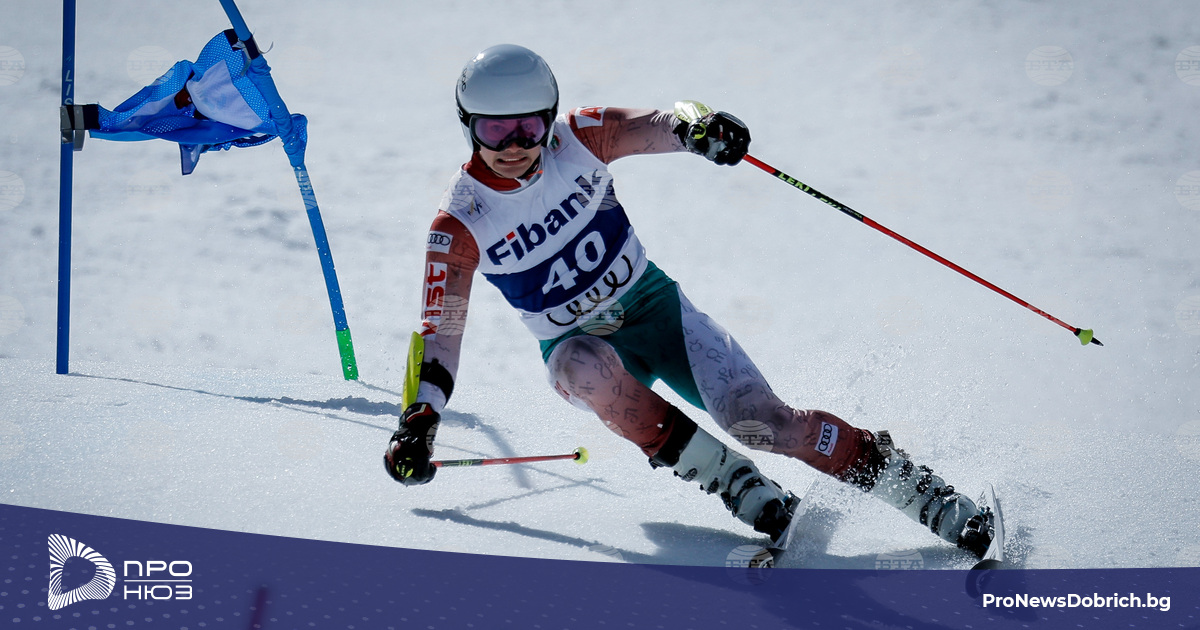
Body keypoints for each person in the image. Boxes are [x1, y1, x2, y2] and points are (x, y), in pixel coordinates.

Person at [384, 44, 994, 557]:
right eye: (494, 129)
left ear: (548, 118)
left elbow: (664, 122)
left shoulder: (579, 138)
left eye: (528, 127)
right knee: (581, 366)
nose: (514, 143)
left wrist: (701, 130)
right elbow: (441, 335)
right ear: (468, 125)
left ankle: (922, 493)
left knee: (764, 423)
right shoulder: (461, 222)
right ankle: (736, 485)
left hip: (656, 311)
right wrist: (420, 419)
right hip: (578, 346)